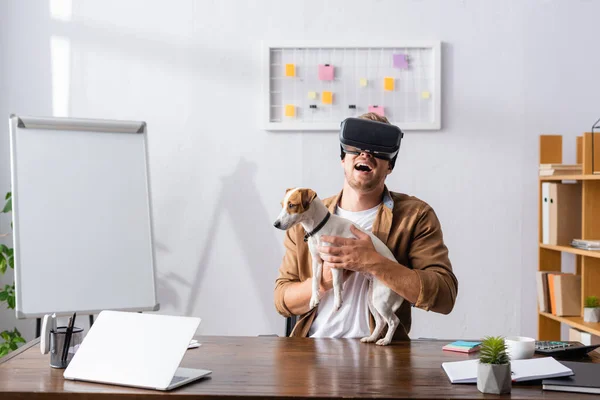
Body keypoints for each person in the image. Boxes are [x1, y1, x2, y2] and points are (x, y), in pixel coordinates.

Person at [274, 112, 458, 340]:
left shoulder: (415, 216)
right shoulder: (303, 216)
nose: (366, 154)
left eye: (377, 149)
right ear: (343, 158)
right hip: (312, 351)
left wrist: (373, 263)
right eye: (357, 146)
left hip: (380, 357)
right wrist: (327, 279)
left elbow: (444, 295)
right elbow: (283, 300)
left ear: (389, 165)